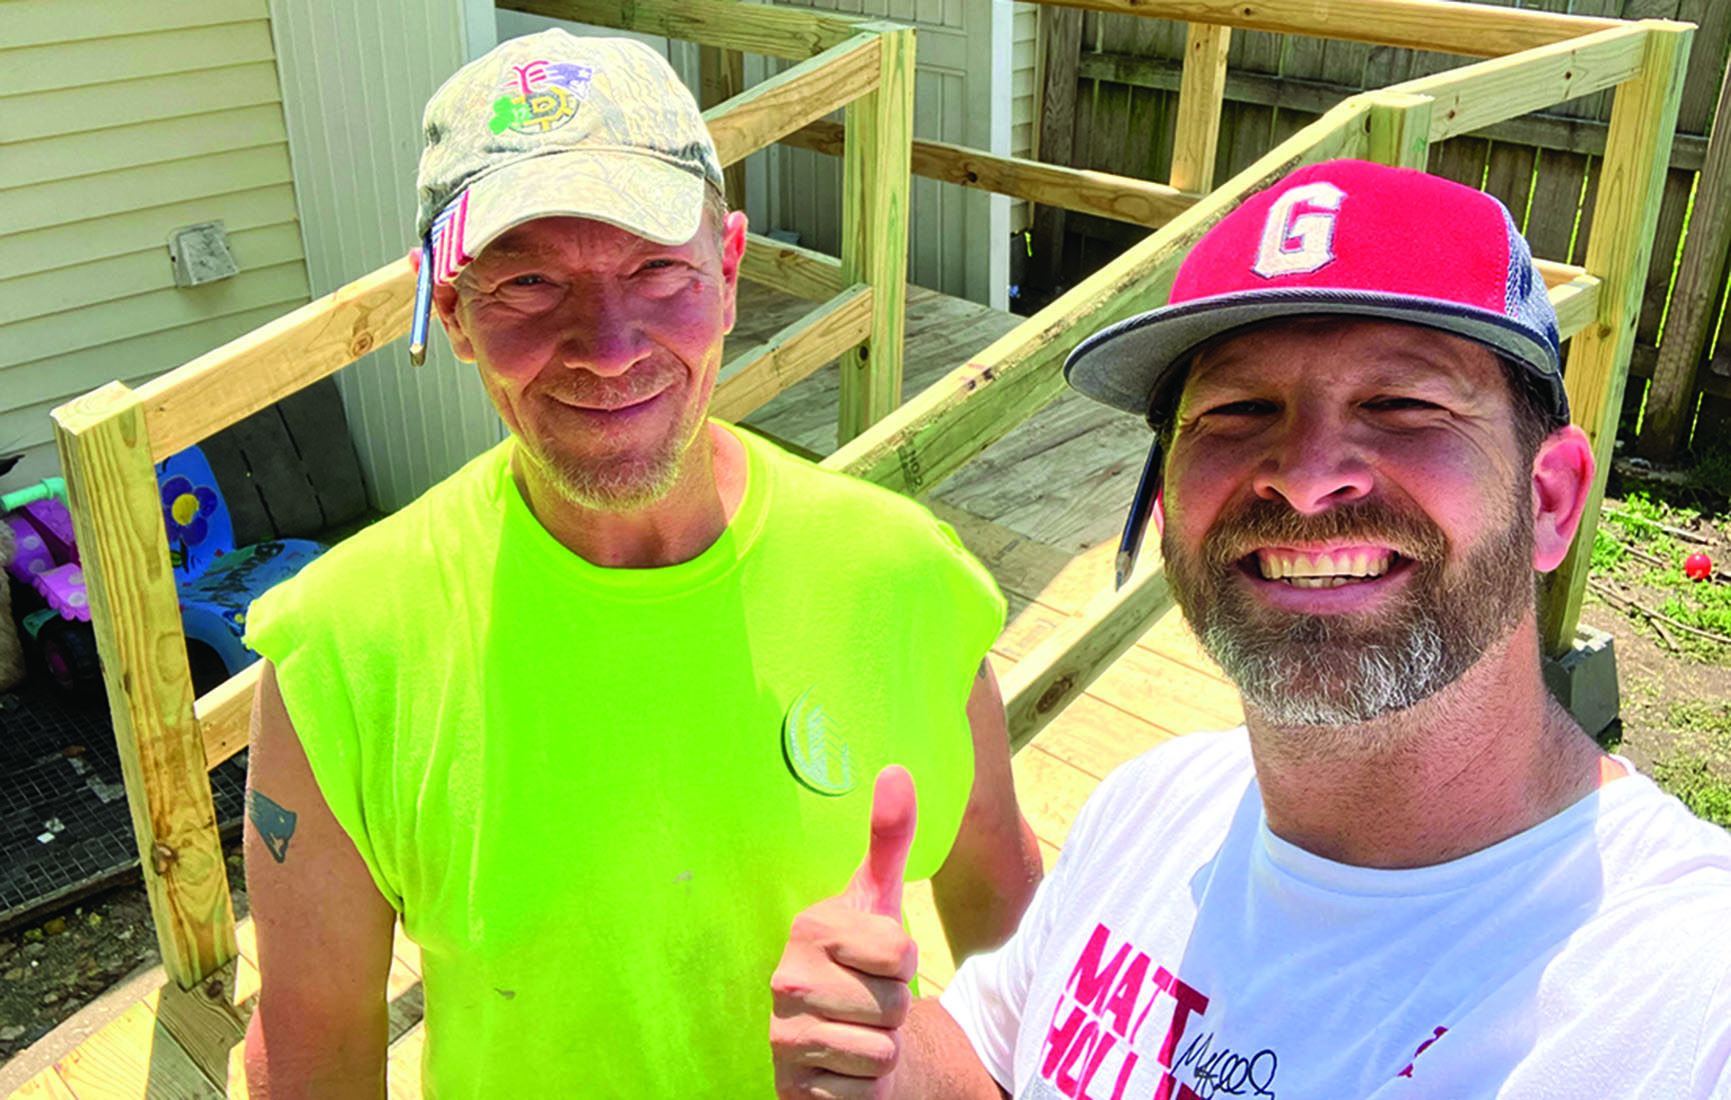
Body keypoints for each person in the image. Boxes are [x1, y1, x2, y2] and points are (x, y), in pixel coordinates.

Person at [769, 158, 1731, 1099]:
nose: (1307, 477)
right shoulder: (1151, 806)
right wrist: (890, 1067)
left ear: (1551, 499)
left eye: (1401, 403)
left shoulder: (1682, 999)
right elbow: (997, 1068)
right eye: (1236, 410)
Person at [240, 29, 1041, 1097]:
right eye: (526, 280)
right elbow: (312, 1044)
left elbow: (1018, 937)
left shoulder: (903, 578)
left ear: (727, 267)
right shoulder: (345, 649)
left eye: (657, 267)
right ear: (449, 308)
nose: (608, 344)